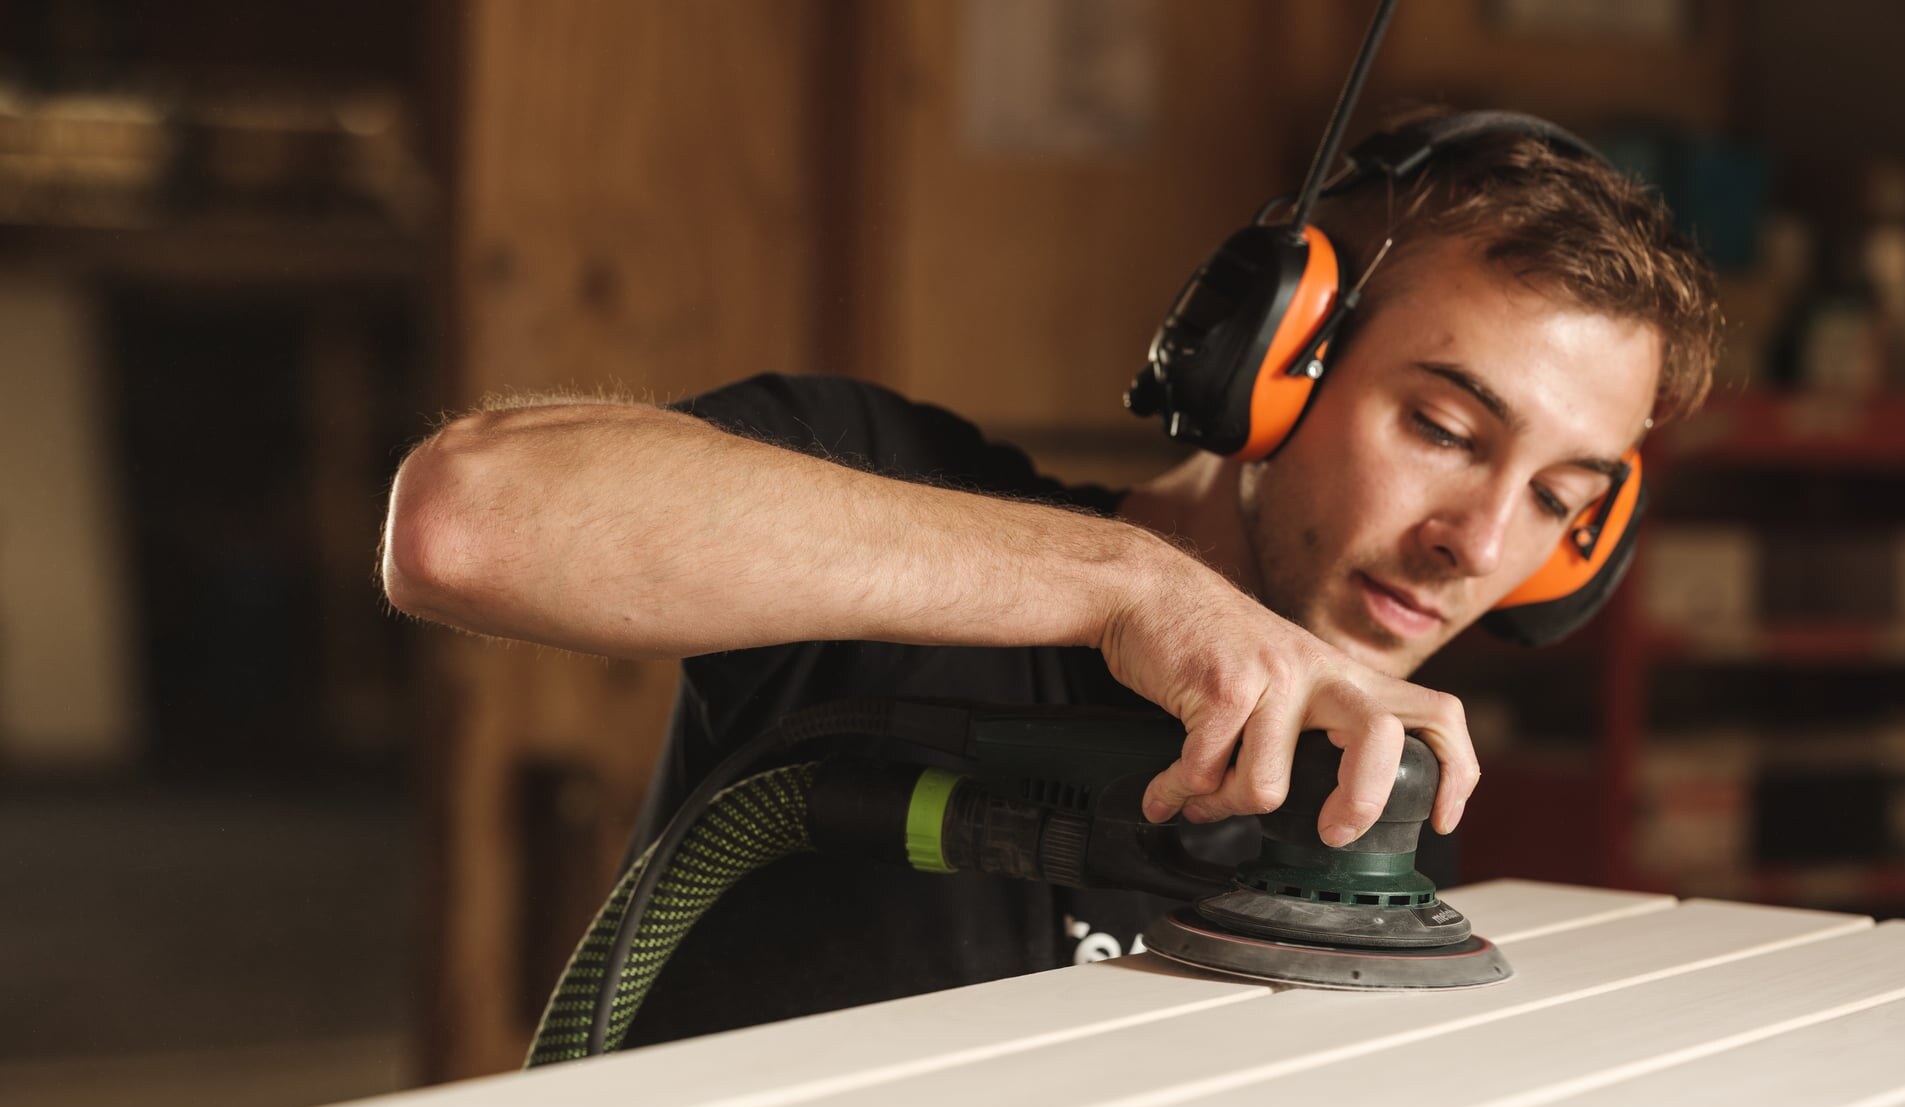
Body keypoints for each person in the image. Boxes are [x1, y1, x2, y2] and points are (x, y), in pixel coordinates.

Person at [380, 112, 1720, 1047]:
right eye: (1441, 429)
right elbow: (469, 521)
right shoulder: (897, 482)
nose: (1479, 544)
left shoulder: (1372, 799)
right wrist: (1125, 586)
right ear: (1272, 360)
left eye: (1559, 498)